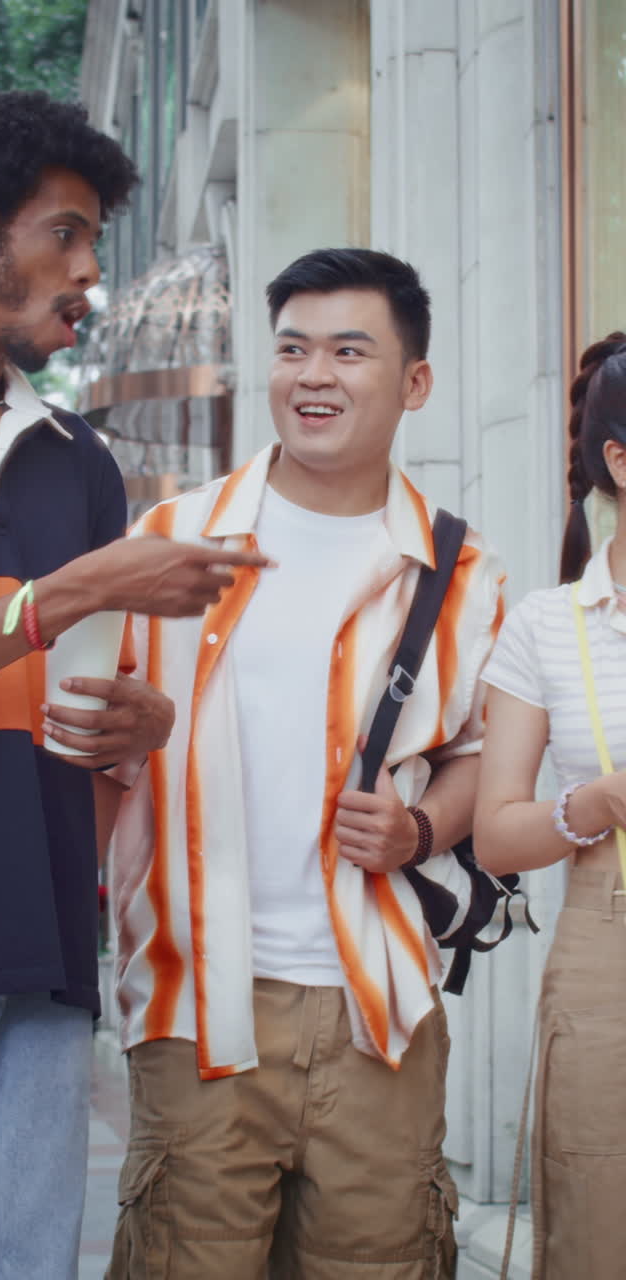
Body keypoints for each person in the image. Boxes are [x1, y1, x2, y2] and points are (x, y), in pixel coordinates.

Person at [0, 85, 266, 1280]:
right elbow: (33, 625)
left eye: (95, 243)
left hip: (43, 962)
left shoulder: (87, 469)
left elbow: (103, 719)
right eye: (65, 232)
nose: (89, 272)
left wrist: (144, 723)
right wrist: (52, 598)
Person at [107, 247, 505, 1279]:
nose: (312, 375)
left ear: (414, 381)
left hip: (379, 1011)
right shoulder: (168, 539)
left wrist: (422, 829)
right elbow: (92, 749)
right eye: (292, 349)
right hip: (198, 999)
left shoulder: (463, 574)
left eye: (347, 350)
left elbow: (480, 760)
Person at [475, 332, 626, 1279]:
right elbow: (495, 834)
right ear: (619, 457)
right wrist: (599, 799)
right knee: (596, 1221)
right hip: (602, 948)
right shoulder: (546, 625)